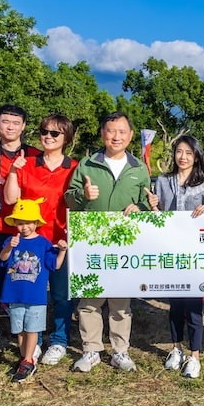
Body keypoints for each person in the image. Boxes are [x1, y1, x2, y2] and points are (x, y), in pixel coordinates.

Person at [65, 112, 151, 373]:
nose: (116, 136)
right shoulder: (88, 165)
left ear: (130, 136)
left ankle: (120, 350)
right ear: (102, 133)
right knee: (90, 299)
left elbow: (148, 203)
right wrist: (83, 194)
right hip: (93, 240)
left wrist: (141, 208)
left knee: (120, 299)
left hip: (125, 243)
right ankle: (91, 349)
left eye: (122, 131)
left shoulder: (139, 168)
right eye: (111, 131)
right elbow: (69, 198)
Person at [4, 114, 78, 366]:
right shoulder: (28, 163)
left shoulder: (75, 167)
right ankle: (30, 343)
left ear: (66, 137)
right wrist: (14, 171)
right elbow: (11, 198)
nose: (47, 136)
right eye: (44, 131)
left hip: (58, 240)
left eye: (54, 133)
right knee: (27, 293)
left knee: (60, 294)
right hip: (29, 241)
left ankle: (58, 340)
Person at [148, 135, 204, 379]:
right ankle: (176, 348)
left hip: (196, 256)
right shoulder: (163, 182)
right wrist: (153, 206)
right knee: (175, 304)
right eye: (179, 151)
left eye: (188, 152)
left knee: (194, 306)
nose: (183, 157)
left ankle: (195, 355)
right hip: (171, 254)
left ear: (197, 155)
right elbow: (158, 216)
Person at [0, 105, 42, 355]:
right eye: (5, 122)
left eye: (16, 122)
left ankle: (31, 338)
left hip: (28, 231)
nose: (10, 126)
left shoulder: (35, 155)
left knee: (27, 285)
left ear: (24, 126)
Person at [0, 199, 68, 383]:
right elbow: (2, 257)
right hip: (14, 294)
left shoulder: (43, 244)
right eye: (20, 223)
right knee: (19, 329)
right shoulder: (11, 241)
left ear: (36, 223)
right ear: (14, 224)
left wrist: (62, 251)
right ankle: (25, 359)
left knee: (32, 329)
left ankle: (29, 360)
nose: (24, 227)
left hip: (36, 297)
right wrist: (9, 246)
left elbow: (55, 264)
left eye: (28, 223)